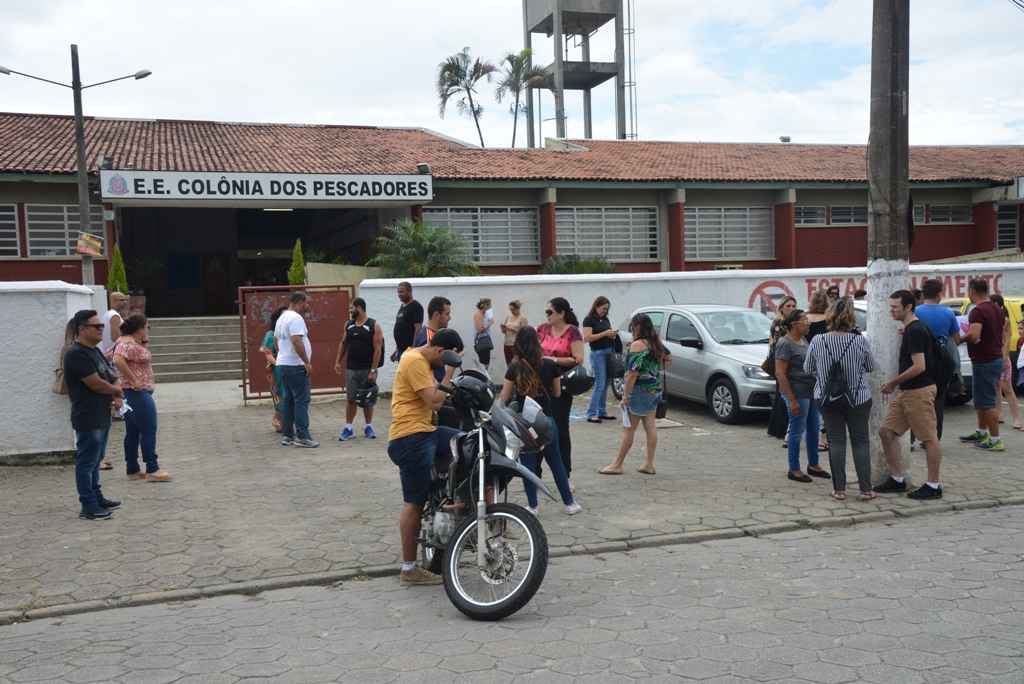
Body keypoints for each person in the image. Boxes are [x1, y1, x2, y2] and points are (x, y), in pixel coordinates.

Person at [387, 328, 464, 586]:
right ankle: (409, 569)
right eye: (447, 360)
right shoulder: (415, 361)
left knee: (467, 442)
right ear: (441, 352)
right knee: (414, 503)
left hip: (425, 432)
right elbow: (434, 401)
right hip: (412, 437)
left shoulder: (419, 360)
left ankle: (454, 502)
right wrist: (451, 374)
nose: (445, 366)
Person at [499, 327, 580, 515]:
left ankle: (533, 506)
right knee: (556, 462)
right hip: (546, 421)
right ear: (537, 342)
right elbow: (558, 393)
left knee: (529, 466)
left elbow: (503, 398)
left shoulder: (514, 368)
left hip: (524, 425)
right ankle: (569, 504)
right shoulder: (551, 366)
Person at [874, 290, 944, 499]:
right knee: (886, 432)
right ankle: (897, 480)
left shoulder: (915, 330)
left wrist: (892, 383)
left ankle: (933, 486)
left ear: (908, 307)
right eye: (891, 306)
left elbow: (919, 366)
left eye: (895, 307)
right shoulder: (911, 329)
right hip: (907, 392)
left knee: (928, 439)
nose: (891, 310)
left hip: (919, 391)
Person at [805, 298, 875, 501]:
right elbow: (870, 366)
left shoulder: (818, 340)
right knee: (861, 442)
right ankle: (866, 489)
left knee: (836, 442)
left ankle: (839, 490)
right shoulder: (859, 340)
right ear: (851, 317)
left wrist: (824, 375)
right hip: (858, 397)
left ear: (830, 316)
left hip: (827, 398)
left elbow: (808, 368)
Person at [63, 310, 124, 520]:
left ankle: (97, 497)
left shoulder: (95, 351)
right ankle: (88, 505)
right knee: (87, 461)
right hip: (88, 415)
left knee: (96, 459)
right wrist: (116, 391)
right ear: (82, 329)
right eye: (96, 326)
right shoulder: (76, 354)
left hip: (101, 413)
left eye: (101, 326)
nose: (101, 329)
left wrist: (116, 389)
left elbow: (112, 373)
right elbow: (96, 384)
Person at [600, 313, 670, 476]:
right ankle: (649, 464)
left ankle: (617, 464)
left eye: (632, 327)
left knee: (628, 429)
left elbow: (632, 374)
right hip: (653, 389)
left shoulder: (638, 345)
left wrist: (625, 396)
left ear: (637, 327)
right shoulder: (655, 343)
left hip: (639, 392)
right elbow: (668, 357)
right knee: (650, 426)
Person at [109, 314, 171, 482]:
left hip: (132, 392)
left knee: (133, 431)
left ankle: (133, 469)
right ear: (140, 328)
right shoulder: (126, 343)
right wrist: (133, 379)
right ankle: (152, 468)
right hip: (136, 393)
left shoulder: (127, 342)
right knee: (148, 429)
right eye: (146, 327)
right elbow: (116, 360)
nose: (147, 330)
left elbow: (110, 355)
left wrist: (144, 341)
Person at [774, 309, 830, 484]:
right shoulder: (785, 343)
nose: (808, 323)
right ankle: (794, 468)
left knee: (813, 430)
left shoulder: (804, 340)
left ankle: (813, 465)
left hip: (810, 391)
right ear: (794, 324)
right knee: (796, 432)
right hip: (797, 393)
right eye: (804, 320)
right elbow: (780, 373)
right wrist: (791, 400)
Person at [538, 297, 585, 486]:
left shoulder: (572, 332)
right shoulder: (541, 329)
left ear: (561, 313)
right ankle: (536, 475)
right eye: (546, 312)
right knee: (536, 430)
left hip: (561, 386)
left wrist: (553, 360)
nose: (547, 316)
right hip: (540, 386)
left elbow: (578, 358)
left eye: (550, 312)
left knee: (560, 430)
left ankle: (565, 475)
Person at [960, 279, 1006, 451]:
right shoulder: (996, 308)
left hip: (985, 360)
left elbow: (974, 335)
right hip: (993, 358)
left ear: (972, 291)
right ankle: (981, 432)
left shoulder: (978, 311)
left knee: (986, 402)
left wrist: (959, 339)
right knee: (980, 400)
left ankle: (995, 440)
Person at [913, 279, 961, 440]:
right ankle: (933, 438)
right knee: (938, 401)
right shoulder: (948, 313)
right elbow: (957, 339)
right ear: (939, 294)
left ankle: (913, 438)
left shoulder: (916, 312)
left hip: (919, 360)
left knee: (916, 401)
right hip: (941, 363)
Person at [335, 297, 384, 441]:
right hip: (351, 369)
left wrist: (373, 370)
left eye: (352, 308)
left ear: (360, 308)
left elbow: (378, 350)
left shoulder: (373, 325)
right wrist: (337, 361)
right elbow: (343, 344)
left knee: (367, 399)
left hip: (367, 369)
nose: (350, 311)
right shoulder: (348, 324)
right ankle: (348, 428)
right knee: (350, 399)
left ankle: (368, 426)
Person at [275, 291, 318, 448]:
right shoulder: (296, 318)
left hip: (283, 364)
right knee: (301, 400)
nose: (307, 306)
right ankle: (303, 436)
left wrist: (282, 355)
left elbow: (276, 339)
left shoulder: (282, 317)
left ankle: (287, 435)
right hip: (296, 365)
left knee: (289, 400)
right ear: (300, 302)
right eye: (306, 303)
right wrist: (306, 361)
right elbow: (296, 340)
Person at [582, 296, 618, 423]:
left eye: (607, 309)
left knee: (607, 382)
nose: (605, 311)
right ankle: (591, 413)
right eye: (603, 308)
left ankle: (602, 411)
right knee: (600, 383)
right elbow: (587, 338)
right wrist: (605, 334)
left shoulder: (605, 319)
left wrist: (612, 334)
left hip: (608, 352)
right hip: (598, 354)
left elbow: (606, 333)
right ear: (596, 306)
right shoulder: (589, 320)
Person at [767, 297, 798, 445]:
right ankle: (781, 429)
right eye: (788, 305)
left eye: (793, 305)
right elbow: (779, 345)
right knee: (783, 395)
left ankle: (780, 429)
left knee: (784, 395)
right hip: (782, 363)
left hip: (790, 363)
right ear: (781, 308)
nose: (791, 308)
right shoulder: (779, 324)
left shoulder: (792, 322)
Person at [990, 294, 1022, 431]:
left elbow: (1007, 342)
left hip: (1002, 358)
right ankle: (999, 414)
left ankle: (1016, 419)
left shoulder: (1005, 320)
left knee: (1007, 388)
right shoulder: (993, 319)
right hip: (993, 357)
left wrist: (1004, 358)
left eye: (992, 304)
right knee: (996, 387)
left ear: (999, 305)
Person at [805, 290, 831, 450]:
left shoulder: (804, 319)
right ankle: (823, 437)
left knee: (804, 399)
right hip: (823, 364)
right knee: (823, 400)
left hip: (805, 362)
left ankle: (789, 434)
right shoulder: (829, 320)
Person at [260, 306, 288, 433]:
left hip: (288, 368)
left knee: (287, 394)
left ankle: (284, 421)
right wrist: (278, 364)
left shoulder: (288, 333)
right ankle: (277, 419)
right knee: (280, 395)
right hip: (277, 371)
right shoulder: (271, 334)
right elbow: (267, 353)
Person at [414, 296, 452, 382]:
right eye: (447, 314)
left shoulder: (432, 335)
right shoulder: (427, 339)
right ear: (437, 315)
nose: (450, 318)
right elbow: (425, 375)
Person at [392, 281, 423, 361]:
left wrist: (413, 348)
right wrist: (397, 350)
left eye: (402, 292)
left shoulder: (415, 306)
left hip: (409, 350)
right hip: (401, 350)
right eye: (398, 292)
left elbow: (418, 328)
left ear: (409, 292)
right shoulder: (402, 307)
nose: (399, 294)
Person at [501, 300, 528, 365]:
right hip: (507, 343)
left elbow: (525, 333)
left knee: (517, 364)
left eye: (513, 309)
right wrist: (503, 329)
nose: (511, 311)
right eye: (510, 309)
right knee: (509, 364)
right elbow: (504, 331)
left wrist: (511, 329)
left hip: (516, 344)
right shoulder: (508, 317)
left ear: (518, 308)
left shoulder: (523, 318)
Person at [472, 298, 495, 371]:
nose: (490, 307)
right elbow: (479, 329)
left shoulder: (485, 314)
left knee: (486, 362)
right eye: (489, 305)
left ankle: (485, 378)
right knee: (484, 362)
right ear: (485, 305)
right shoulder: (478, 314)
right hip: (481, 340)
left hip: (485, 340)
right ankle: (483, 378)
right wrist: (490, 323)